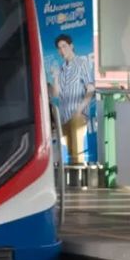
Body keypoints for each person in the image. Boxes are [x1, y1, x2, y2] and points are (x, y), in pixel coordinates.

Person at [49, 33, 96, 163]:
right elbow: (56, 95)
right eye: (59, 48)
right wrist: (55, 77)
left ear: (71, 46)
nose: (62, 50)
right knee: (69, 155)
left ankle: (80, 174)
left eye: (64, 46)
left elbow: (90, 89)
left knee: (77, 154)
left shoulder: (81, 63)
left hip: (77, 116)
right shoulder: (61, 69)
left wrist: (79, 111)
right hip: (64, 118)